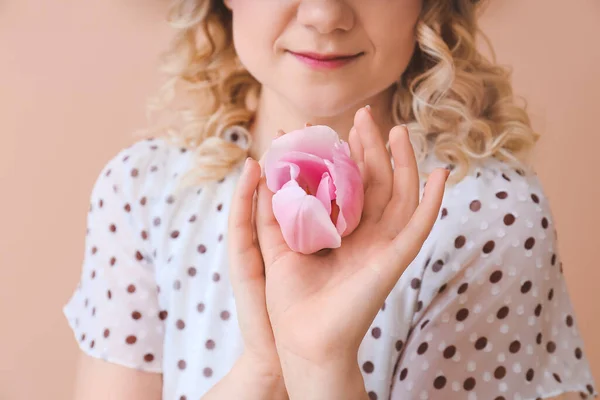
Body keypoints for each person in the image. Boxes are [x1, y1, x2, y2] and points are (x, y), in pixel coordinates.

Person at [63, 0, 597, 399]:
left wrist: (323, 367)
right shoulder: (143, 191)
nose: (324, 15)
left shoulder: (489, 219)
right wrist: (264, 370)